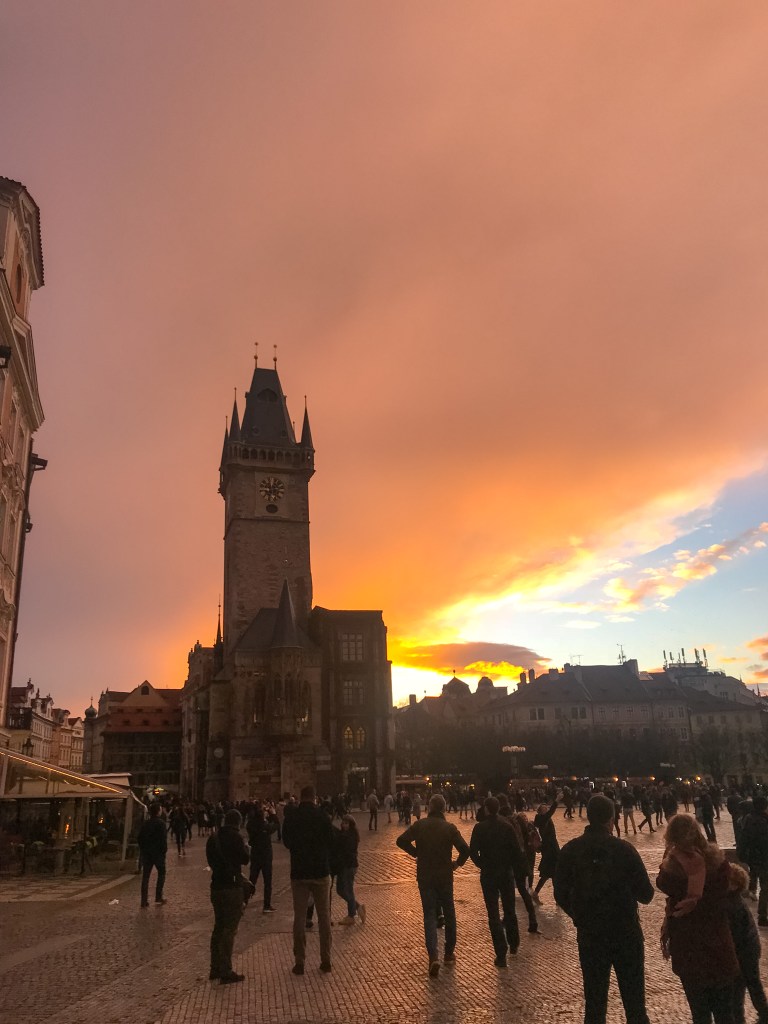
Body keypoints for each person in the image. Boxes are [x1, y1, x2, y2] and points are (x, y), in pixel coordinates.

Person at [554, 794, 654, 1024]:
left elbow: (559, 893)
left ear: (588, 816)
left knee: (595, 1004)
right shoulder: (624, 850)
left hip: (591, 934)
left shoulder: (571, 850)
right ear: (612, 818)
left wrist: (578, 915)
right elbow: (646, 895)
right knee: (635, 1005)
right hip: (625, 931)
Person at [656, 813, 739, 1024]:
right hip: (719, 945)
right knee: (725, 1013)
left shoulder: (672, 872)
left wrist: (671, 854)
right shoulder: (720, 866)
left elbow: (661, 881)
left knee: (700, 1015)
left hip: (689, 950)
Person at [396, 793, 470, 978]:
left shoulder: (420, 825)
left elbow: (401, 841)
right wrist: (456, 864)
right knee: (449, 912)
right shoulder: (449, 828)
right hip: (445, 875)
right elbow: (465, 849)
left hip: (425, 875)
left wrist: (416, 853)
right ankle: (449, 952)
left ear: (429, 807)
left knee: (429, 914)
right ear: (444, 808)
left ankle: (433, 955)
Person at [470, 796, 529, 967]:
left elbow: (473, 852)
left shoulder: (479, 828)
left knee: (493, 914)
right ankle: (514, 942)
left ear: (487, 809)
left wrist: (483, 865)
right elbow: (517, 851)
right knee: (509, 909)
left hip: (489, 874)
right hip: (505, 873)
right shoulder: (507, 826)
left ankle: (500, 952)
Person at [282, 785, 335, 975]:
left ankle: (300, 962)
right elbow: (331, 840)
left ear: (300, 798)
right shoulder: (322, 816)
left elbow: (286, 842)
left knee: (300, 917)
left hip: (299, 872)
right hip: (321, 871)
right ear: (314, 798)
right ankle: (326, 960)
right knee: (324, 916)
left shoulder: (291, 817)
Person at [205, 808, 250, 984]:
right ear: (238, 823)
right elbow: (245, 859)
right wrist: (246, 848)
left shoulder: (213, 838)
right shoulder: (237, 838)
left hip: (216, 886)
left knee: (218, 927)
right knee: (229, 930)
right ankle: (226, 970)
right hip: (232, 887)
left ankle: (214, 968)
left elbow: (210, 861)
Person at [724, 863, 768, 1024]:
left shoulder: (731, 905)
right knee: (752, 983)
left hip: (743, 952)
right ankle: (763, 1013)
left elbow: (734, 933)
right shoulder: (736, 901)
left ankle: (751, 1015)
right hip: (749, 949)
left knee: (740, 989)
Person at [737, 794, 768, 926]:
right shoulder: (762, 821)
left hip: (754, 858)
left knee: (763, 883)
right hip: (763, 857)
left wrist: (743, 855)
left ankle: (761, 910)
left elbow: (743, 840)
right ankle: (762, 915)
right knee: (766, 886)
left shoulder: (748, 819)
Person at [246, 803, 277, 913]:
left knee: (252, 879)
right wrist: (273, 815)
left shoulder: (250, 824)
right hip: (266, 855)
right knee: (267, 881)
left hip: (255, 854)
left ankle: (244, 902)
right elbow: (274, 826)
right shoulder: (264, 825)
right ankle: (267, 905)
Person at [336, 814, 365, 925]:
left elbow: (346, 851)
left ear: (351, 825)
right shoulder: (344, 835)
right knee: (341, 890)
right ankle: (358, 907)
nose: (344, 825)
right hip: (343, 866)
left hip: (349, 866)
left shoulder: (350, 836)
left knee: (348, 890)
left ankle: (351, 916)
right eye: (343, 823)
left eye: (346, 823)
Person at [137, 802, 167, 908]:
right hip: (158, 853)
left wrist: (144, 849)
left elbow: (140, 838)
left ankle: (143, 900)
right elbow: (163, 840)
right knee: (162, 874)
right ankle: (158, 896)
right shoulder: (161, 824)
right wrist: (163, 851)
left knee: (146, 877)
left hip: (147, 853)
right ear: (158, 811)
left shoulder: (146, 823)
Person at [532, 798, 559, 903]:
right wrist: (556, 801)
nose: (546, 809)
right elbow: (551, 812)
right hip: (550, 849)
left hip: (551, 848)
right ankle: (536, 893)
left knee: (552, 874)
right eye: (544, 808)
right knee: (549, 874)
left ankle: (556, 898)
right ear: (540, 811)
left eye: (546, 807)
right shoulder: (542, 819)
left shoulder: (544, 819)